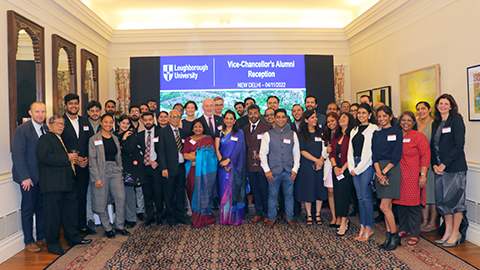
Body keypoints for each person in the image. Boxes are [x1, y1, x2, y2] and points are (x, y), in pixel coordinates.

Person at [37, 115, 92, 255]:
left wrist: (76, 160)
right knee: (53, 216)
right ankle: (53, 245)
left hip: (67, 184)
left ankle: (74, 238)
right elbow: (45, 157)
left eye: (62, 124)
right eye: (57, 123)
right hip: (53, 185)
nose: (61, 126)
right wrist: (67, 157)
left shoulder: (60, 140)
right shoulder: (46, 139)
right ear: (50, 125)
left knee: (70, 213)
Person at [431, 94, 467, 247]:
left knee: (455, 202)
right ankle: (447, 231)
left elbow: (459, 146)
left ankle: (456, 232)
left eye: (446, 104)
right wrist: (434, 165)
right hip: (439, 169)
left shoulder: (456, 120)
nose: (443, 106)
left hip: (454, 169)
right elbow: (433, 147)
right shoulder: (436, 123)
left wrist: (443, 165)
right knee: (444, 202)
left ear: (451, 106)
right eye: (440, 103)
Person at [12, 101, 47, 253]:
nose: (41, 114)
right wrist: (25, 177)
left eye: (43, 112)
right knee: (28, 209)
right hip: (28, 178)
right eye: (37, 112)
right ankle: (29, 240)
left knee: (41, 208)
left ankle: (41, 236)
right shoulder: (22, 130)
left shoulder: (46, 129)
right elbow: (18, 156)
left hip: (42, 178)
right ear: (30, 113)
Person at [89, 114, 130, 239]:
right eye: (105, 122)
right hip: (101, 171)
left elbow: (119, 156)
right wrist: (96, 178)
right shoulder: (94, 139)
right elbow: (92, 159)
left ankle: (119, 226)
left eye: (110, 122)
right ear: (101, 123)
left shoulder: (115, 138)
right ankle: (107, 228)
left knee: (121, 198)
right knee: (102, 199)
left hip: (115, 170)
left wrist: (120, 169)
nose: (108, 124)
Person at [393, 111, 430, 246]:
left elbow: (426, 156)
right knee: (401, 204)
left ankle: (415, 233)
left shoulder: (419, 136)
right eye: (403, 120)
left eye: (409, 120)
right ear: (399, 122)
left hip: (414, 175)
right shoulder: (396, 136)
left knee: (413, 205)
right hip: (399, 175)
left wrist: (423, 175)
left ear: (414, 122)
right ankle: (404, 228)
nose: (406, 123)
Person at [260, 109, 301, 229]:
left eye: (283, 117)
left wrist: (295, 169)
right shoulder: (268, 134)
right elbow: (263, 154)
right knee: (272, 196)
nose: (281, 119)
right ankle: (272, 218)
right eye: (278, 117)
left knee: (289, 196)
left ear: (286, 118)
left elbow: (296, 153)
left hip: (289, 171)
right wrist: (267, 170)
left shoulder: (292, 134)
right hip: (273, 171)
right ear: (274, 118)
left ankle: (290, 218)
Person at [61, 94, 95, 235]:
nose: (74, 106)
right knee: (69, 198)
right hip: (67, 168)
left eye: (76, 103)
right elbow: (59, 144)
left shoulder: (85, 121)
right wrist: (74, 159)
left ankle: (82, 225)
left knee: (82, 196)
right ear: (66, 105)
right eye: (71, 103)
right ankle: (70, 228)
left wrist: (86, 158)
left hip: (83, 167)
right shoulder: (60, 122)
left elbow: (91, 142)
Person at [372, 105, 403, 250]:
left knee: (384, 206)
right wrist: (378, 173)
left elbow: (397, 155)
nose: (382, 119)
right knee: (387, 206)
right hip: (379, 171)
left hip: (392, 169)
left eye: (384, 116)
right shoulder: (376, 134)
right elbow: (375, 156)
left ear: (390, 117)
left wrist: (384, 172)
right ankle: (389, 236)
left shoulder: (397, 132)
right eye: (379, 116)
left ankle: (395, 236)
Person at [347, 103, 378, 241]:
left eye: (364, 113)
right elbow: (350, 150)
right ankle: (362, 226)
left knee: (366, 198)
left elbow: (370, 152)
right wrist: (351, 167)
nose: (361, 115)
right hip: (354, 165)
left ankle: (369, 228)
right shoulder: (354, 129)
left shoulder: (373, 128)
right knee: (359, 199)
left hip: (367, 166)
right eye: (359, 113)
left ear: (370, 114)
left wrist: (358, 169)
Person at [295, 110, 327, 225]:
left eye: (315, 117)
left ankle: (317, 214)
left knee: (319, 189)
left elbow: (325, 149)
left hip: (320, 165)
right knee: (308, 190)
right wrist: (316, 160)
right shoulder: (301, 135)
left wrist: (321, 161)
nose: (315, 119)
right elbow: (302, 151)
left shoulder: (321, 134)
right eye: (312, 117)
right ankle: (309, 215)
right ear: (306, 120)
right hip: (307, 166)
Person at [183, 119, 217, 228]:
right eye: (195, 127)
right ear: (192, 128)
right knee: (193, 191)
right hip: (192, 172)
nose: (198, 129)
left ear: (203, 128)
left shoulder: (208, 139)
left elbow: (212, 156)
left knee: (205, 193)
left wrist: (195, 157)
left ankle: (207, 219)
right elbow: (185, 155)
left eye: (200, 127)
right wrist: (199, 156)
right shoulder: (189, 139)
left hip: (206, 173)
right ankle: (196, 219)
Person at [215, 110, 246, 225]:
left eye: (231, 118)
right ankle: (225, 217)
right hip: (222, 167)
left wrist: (229, 161)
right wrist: (222, 161)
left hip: (235, 167)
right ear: (224, 120)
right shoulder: (219, 132)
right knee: (223, 190)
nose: (228, 121)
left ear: (234, 120)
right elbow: (217, 149)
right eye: (226, 118)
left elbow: (240, 150)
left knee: (235, 190)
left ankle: (235, 218)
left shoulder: (239, 133)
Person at [242, 104, 272, 224]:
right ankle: (258, 213)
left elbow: (271, 146)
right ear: (248, 115)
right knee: (255, 190)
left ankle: (267, 214)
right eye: (250, 113)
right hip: (250, 165)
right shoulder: (244, 129)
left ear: (259, 114)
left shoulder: (267, 127)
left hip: (263, 165)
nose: (253, 115)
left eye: (255, 113)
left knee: (265, 190)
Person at [158, 110, 189, 226]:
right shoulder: (163, 132)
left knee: (180, 192)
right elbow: (160, 152)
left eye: (178, 117)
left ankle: (180, 216)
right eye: (173, 117)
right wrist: (163, 168)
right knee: (169, 194)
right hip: (168, 168)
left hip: (181, 167)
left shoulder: (183, 132)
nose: (175, 119)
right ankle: (170, 217)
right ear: (169, 118)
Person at [114, 115, 143, 229]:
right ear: (118, 123)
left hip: (129, 169)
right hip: (116, 168)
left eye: (127, 123)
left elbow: (128, 149)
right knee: (119, 196)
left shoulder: (131, 135)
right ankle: (121, 218)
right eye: (123, 123)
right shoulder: (114, 135)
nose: (125, 125)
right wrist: (122, 139)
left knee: (129, 194)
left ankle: (131, 218)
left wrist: (124, 139)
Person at [329, 112, 355, 236]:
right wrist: (335, 166)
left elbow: (351, 156)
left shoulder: (352, 135)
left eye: (344, 117)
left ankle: (344, 222)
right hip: (336, 170)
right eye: (340, 117)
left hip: (347, 170)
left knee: (344, 196)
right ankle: (342, 218)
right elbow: (331, 153)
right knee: (337, 195)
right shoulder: (336, 135)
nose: (341, 119)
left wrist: (342, 169)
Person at [138, 112, 164, 225]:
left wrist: (157, 162)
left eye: (150, 119)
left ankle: (159, 216)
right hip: (144, 168)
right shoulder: (139, 135)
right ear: (142, 121)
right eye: (146, 120)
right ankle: (150, 217)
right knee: (147, 193)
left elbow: (164, 151)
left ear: (154, 120)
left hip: (156, 168)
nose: (148, 122)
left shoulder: (161, 133)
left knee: (158, 193)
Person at [416, 101, 437, 232]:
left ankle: (433, 222)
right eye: (418, 109)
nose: (420, 111)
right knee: (423, 193)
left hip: (430, 163)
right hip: (417, 164)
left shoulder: (434, 124)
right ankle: (424, 221)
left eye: (423, 108)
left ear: (429, 110)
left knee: (432, 195)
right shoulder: (417, 125)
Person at [322, 112, 340, 227]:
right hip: (329, 166)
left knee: (339, 192)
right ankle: (333, 216)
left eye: (332, 121)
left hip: (339, 167)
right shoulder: (326, 135)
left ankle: (340, 216)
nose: (330, 123)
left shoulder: (342, 134)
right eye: (328, 121)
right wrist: (326, 151)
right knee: (330, 192)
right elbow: (323, 154)